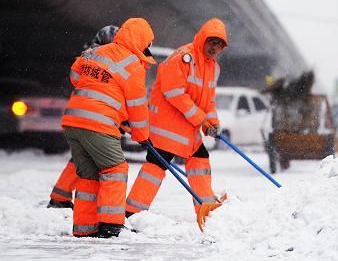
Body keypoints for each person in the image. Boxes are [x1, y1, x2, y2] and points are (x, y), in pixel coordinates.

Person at [125, 18, 227, 225]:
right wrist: (201, 120)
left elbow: (210, 100)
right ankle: (131, 212)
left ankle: (206, 207)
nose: (214, 47)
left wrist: (212, 122)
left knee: (198, 160)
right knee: (156, 167)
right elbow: (173, 92)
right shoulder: (183, 58)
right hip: (166, 127)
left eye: (219, 44)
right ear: (202, 39)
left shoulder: (213, 67)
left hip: (186, 128)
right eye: (211, 42)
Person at [61, 18, 155, 238]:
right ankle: (111, 225)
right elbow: (137, 106)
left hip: (73, 121)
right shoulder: (133, 65)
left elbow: (75, 76)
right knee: (115, 170)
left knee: (89, 175)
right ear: (141, 40)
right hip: (99, 123)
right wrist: (143, 136)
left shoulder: (95, 52)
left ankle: (85, 228)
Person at [48, 25, 119, 209]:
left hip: (83, 114)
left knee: (80, 159)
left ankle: (60, 197)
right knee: (93, 163)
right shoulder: (102, 58)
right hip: (96, 116)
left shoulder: (86, 56)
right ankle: (68, 201)